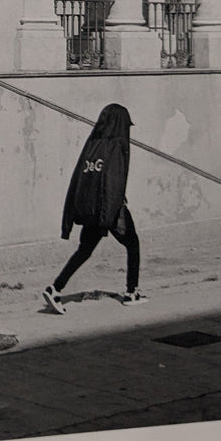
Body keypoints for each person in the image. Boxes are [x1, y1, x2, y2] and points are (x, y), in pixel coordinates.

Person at [42, 103, 147, 314]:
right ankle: (131, 292)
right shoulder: (117, 146)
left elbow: (81, 180)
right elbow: (114, 180)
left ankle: (55, 288)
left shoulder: (92, 145)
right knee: (132, 243)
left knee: (84, 250)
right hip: (110, 209)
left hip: (92, 208)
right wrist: (112, 214)